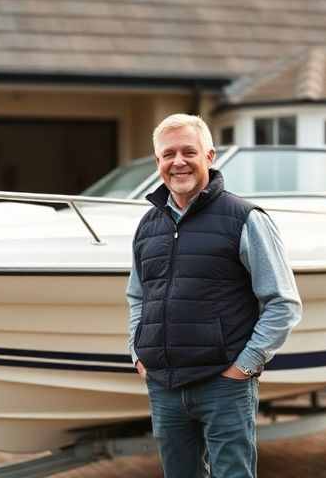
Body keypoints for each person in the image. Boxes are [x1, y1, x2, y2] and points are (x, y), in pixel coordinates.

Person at [127, 113, 302, 477]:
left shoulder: (245, 218)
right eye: (167, 154)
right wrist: (138, 354)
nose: (178, 162)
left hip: (223, 386)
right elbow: (138, 297)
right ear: (158, 162)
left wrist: (244, 367)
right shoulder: (148, 225)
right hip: (165, 386)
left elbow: (283, 303)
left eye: (188, 151)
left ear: (209, 156)